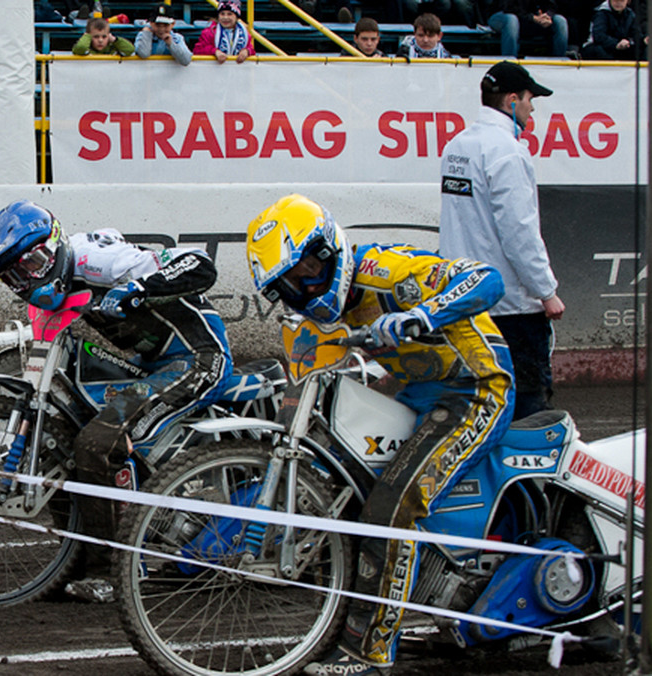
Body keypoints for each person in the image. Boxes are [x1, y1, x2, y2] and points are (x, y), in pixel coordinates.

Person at [245, 194, 515, 675]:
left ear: (330, 250)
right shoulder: (315, 315)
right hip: (416, 395)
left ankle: (368, 653)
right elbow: (306, 385)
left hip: (476, 390)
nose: (304, 285)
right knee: (350, 484)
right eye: (287, 284)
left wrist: (422, 315)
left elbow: (486, 278)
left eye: (308, 267)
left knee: (392, 507)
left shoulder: (386, 270)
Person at [0, 201, 233, 602]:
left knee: (101, 443)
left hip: (198, 358)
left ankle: (123, 569)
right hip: (149, 366)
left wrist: (139, 288)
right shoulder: (53, 288)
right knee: (67, 439)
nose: (25, 278)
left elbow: (200, 265)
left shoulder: (98, 258)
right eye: (12, 275)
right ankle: (78, 560)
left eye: (32, 262)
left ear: (55, 243)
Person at [439, 61, 563, 421]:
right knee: (527, 410)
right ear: (512, 100)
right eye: (529, 98)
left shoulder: (458, 145)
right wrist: (546, 290)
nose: (532, 107)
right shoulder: (507, 150)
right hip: (512, 308)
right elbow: (519, 230)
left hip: (465, 298)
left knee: (474, 410)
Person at [486, 0, 569, 57]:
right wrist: (532, 17)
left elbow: (552, 4)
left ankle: (558, 61)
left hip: (531, 20)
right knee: (511, 20)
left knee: (560, 20)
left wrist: (547, 16)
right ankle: (509, 62)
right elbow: (508, 7)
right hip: (503, 16)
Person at [192, 0, 256, 63]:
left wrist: (247, 51)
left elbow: (252, 50)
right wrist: (214, 51)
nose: (225, 17)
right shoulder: (209, 32)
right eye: (222, 14)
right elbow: (197, 50)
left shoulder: (244, 34)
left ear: (236, 17)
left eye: (229, 14)